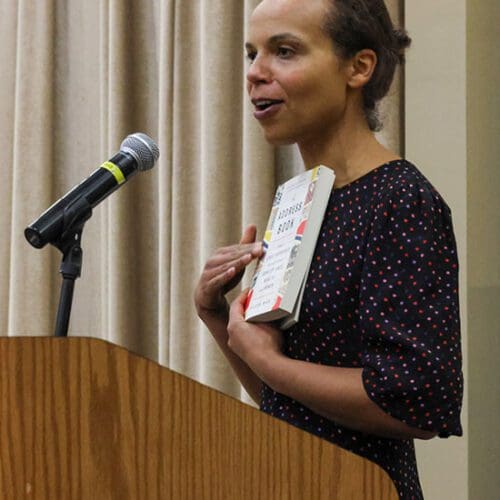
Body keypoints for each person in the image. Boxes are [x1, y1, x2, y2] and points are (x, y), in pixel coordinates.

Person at [194, 1, 463, 498]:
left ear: (358, 67)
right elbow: (289, 405)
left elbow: (418, 401)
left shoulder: (401, 199)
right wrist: (218, 316)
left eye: (285, 51)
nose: (255, 73)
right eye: (252, 54)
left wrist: (271, 363)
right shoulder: (301, 202)